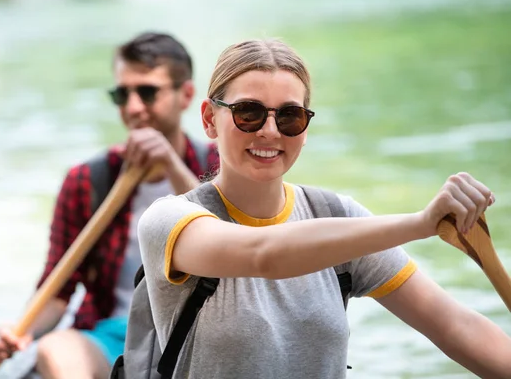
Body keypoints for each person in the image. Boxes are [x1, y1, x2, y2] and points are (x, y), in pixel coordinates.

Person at [136, 38, 511, 378]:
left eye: (289, 116)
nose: (269, 131)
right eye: (248, 113)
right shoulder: (168, 222)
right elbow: (265, 255)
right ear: (208, 119)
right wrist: (422, 223)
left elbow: (453, 325)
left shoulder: (337, 217)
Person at [0, 32, 219, 379]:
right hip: (114, 335)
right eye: (122, 94)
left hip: (196, 334)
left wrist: (171, 165)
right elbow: (57, 289)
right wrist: (21, 332)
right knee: (55, 350)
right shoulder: (86, 181)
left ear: (186, 95)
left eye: (148, 92)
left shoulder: (217, 165)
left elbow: (231, 247)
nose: (133, 107)